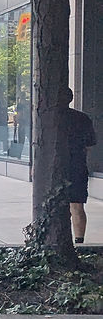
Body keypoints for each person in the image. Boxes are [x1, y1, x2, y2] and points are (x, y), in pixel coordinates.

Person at [66, 88, 97, 244]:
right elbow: (90, 145)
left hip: (54, 168)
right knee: (77, 206)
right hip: (77, 166)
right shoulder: (83, 119)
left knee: (53, 207)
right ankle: (79, 242)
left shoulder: (49, 119)